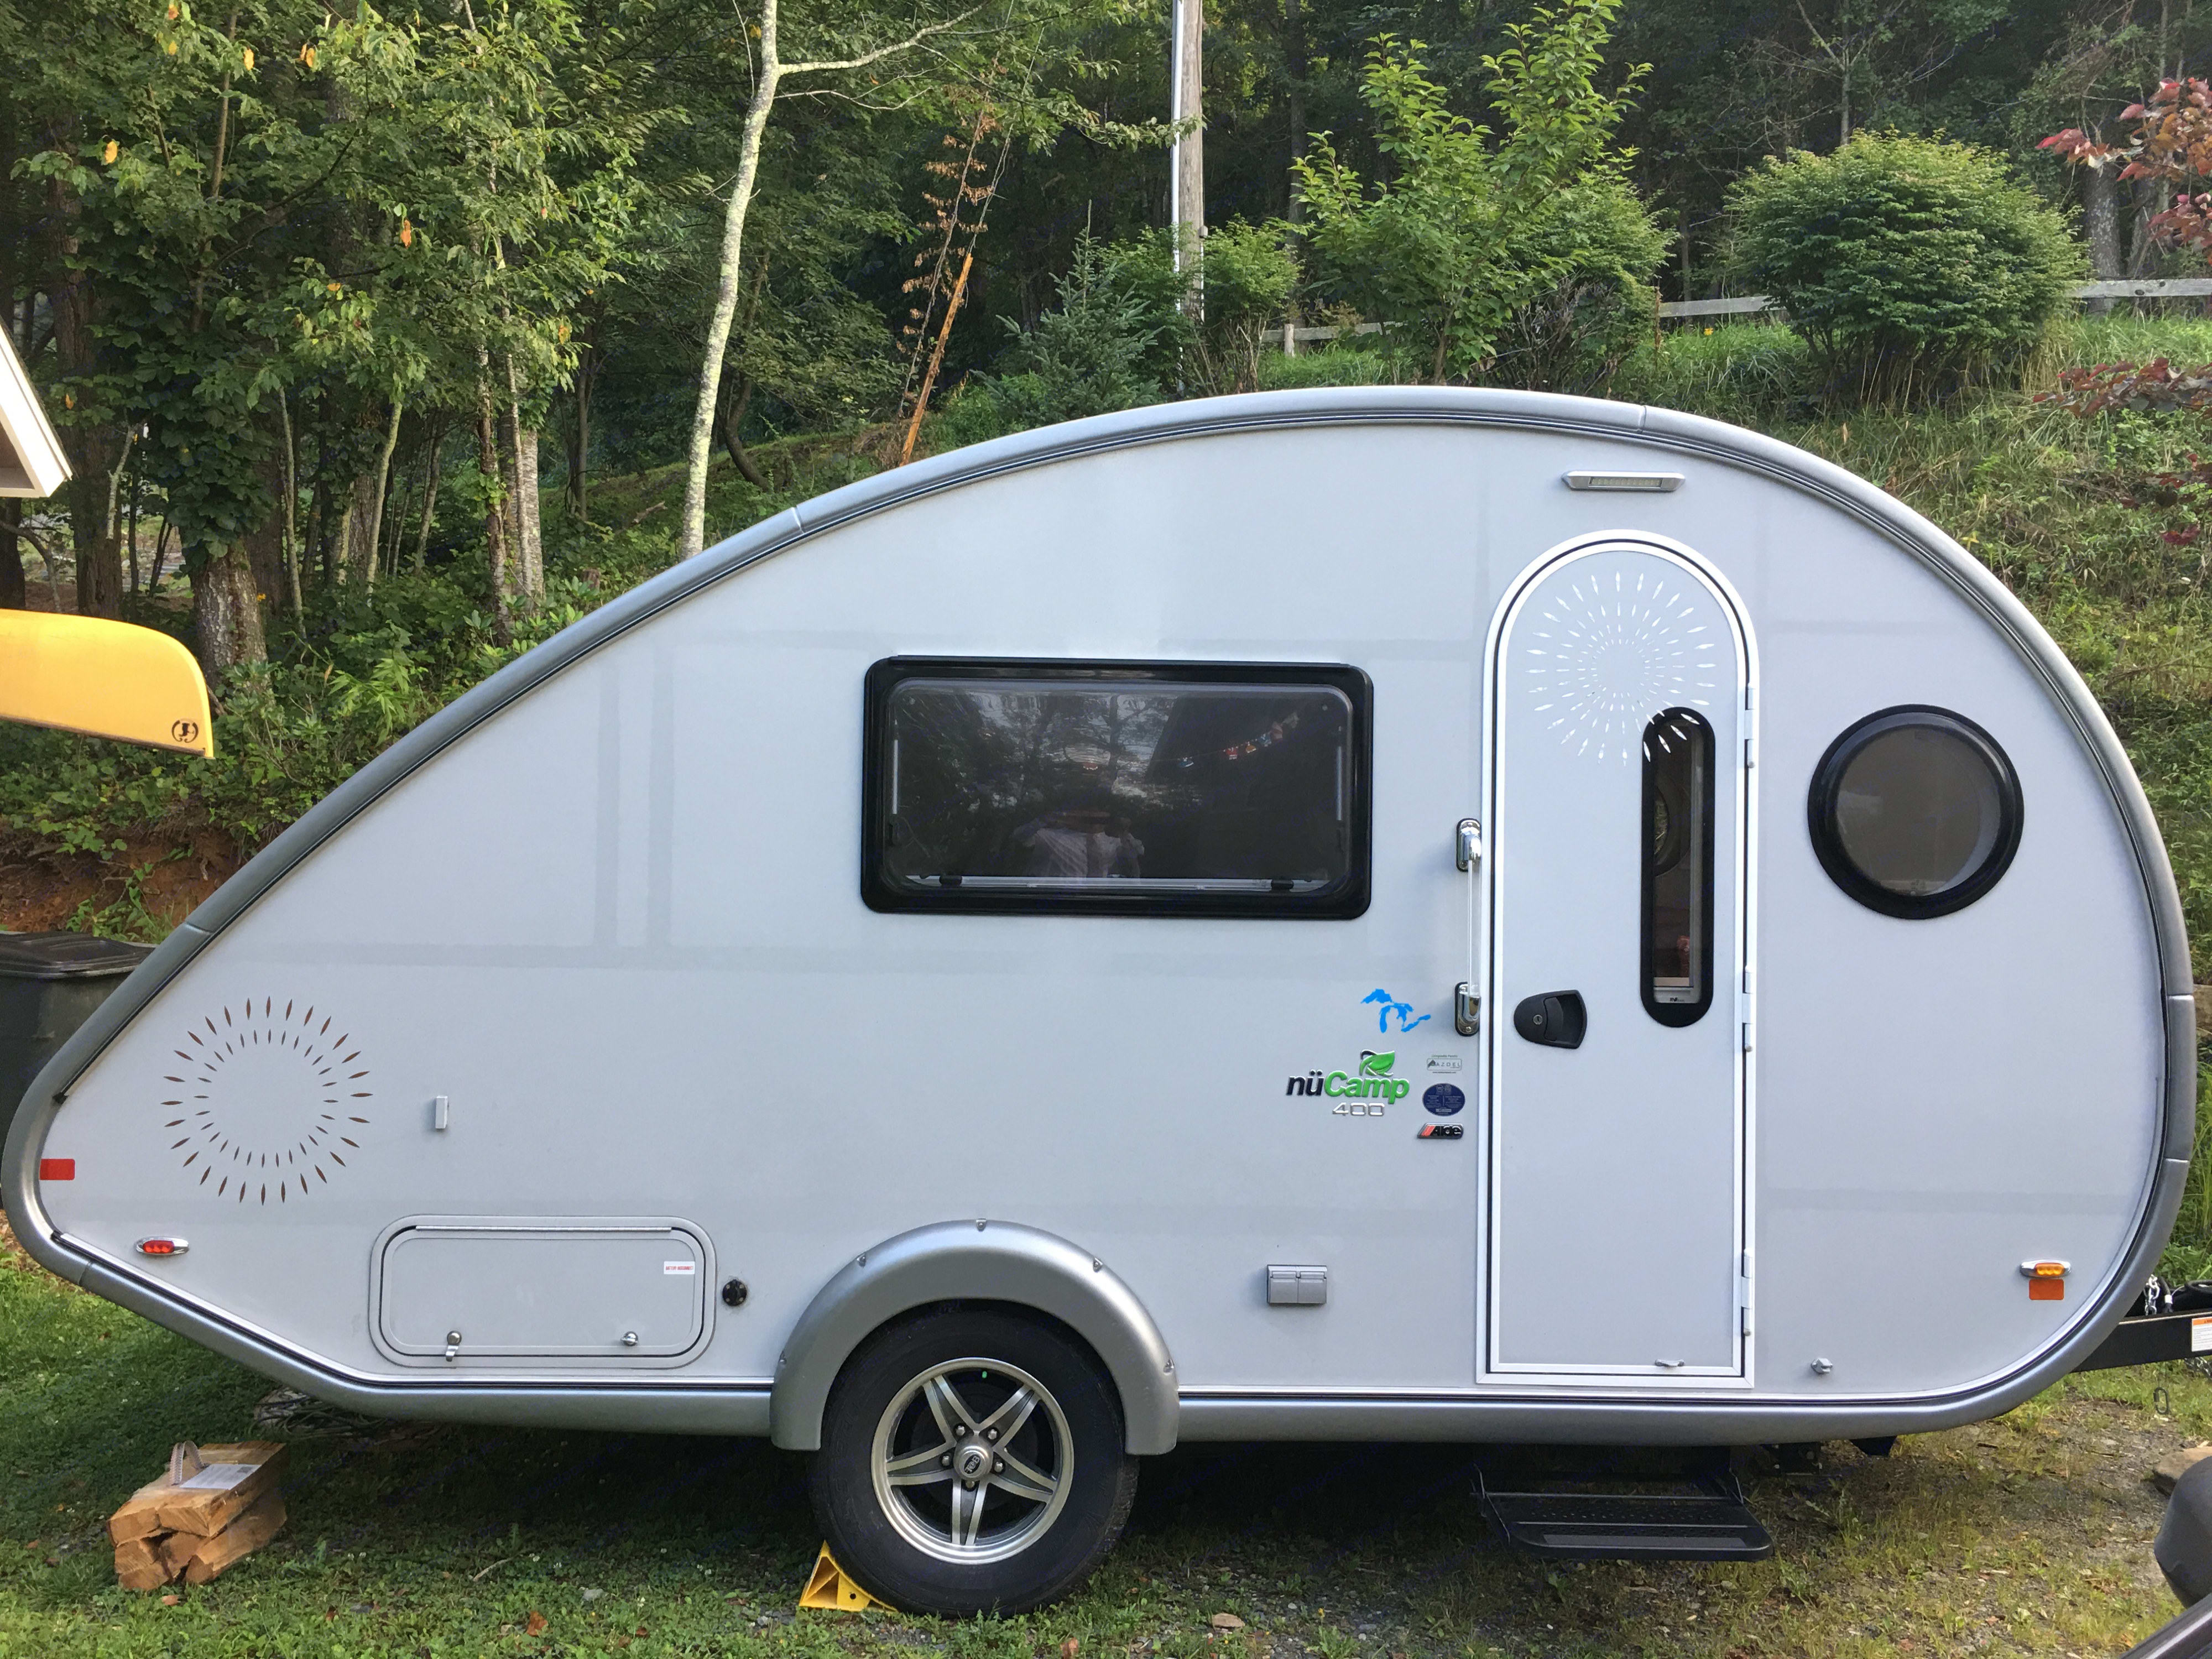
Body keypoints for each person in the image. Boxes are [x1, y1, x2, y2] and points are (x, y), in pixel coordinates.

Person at [1011, 801, 1145, 879]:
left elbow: (1135, 861)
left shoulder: (1115, 840)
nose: (1094, 824)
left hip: (1102, 906)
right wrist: (1045, 819)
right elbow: (1019, 837)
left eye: (1099, 820)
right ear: (1075, 816)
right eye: (1088, 820)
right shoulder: (1050, 836)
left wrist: (1123, 832)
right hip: (1052, 901)